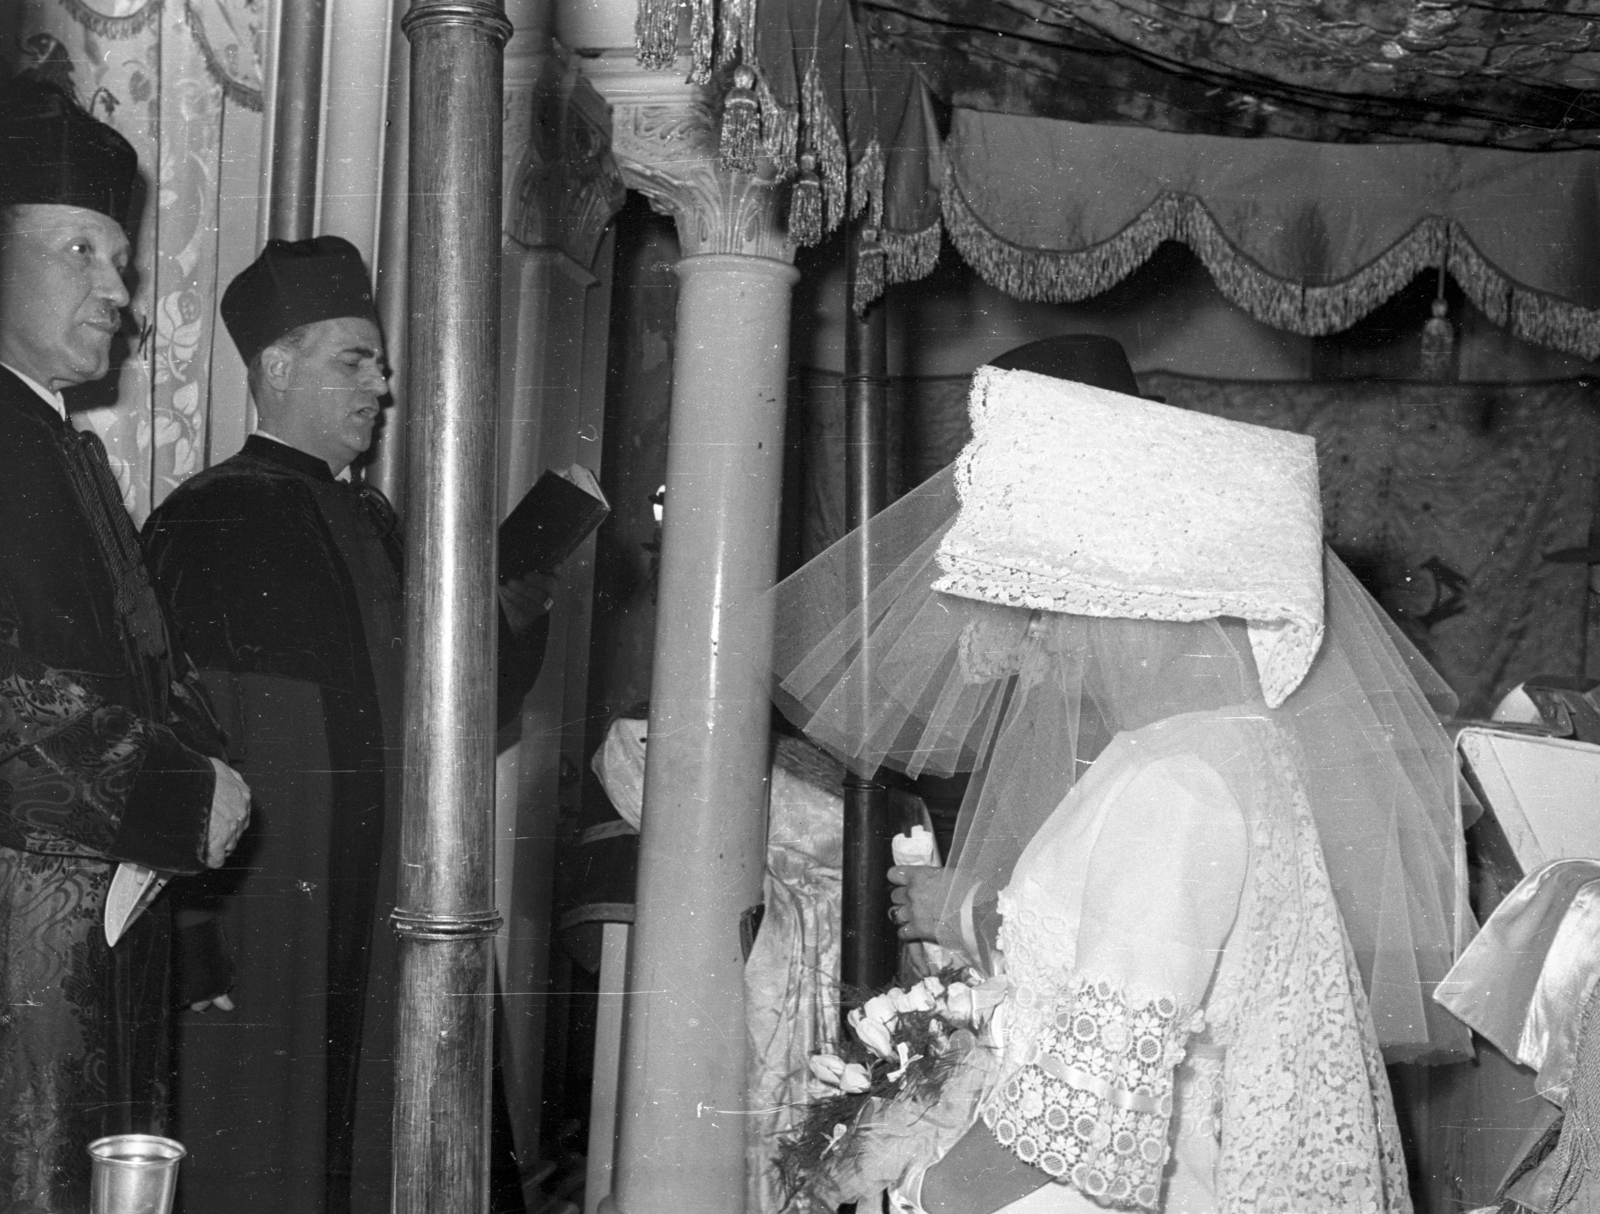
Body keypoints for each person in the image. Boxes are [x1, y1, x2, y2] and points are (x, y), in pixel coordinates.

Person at [766, 351, 1470, 1212]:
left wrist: (911, 1194)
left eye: (1050, 603)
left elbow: (1084, 1117)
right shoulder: (1223, 749)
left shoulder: (1178, 782)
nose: (1036, 635)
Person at [141, 235, 553, 1214]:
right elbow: (168, 735)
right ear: (275, 365)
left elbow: (445, 709)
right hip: (272, 907)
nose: (382, 384)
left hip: (390, 894)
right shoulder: (205, 518)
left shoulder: (381, 518)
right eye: (353, 359)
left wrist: (516, 613)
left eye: (381, 362)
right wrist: (193, 932)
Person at [0, 76, 251, 1209]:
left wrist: (206, 771)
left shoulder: (62, 444)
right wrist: (181, 790)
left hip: (98, 925)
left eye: (122, 260)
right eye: (80, 252)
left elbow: (145, 657)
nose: (121, 292)